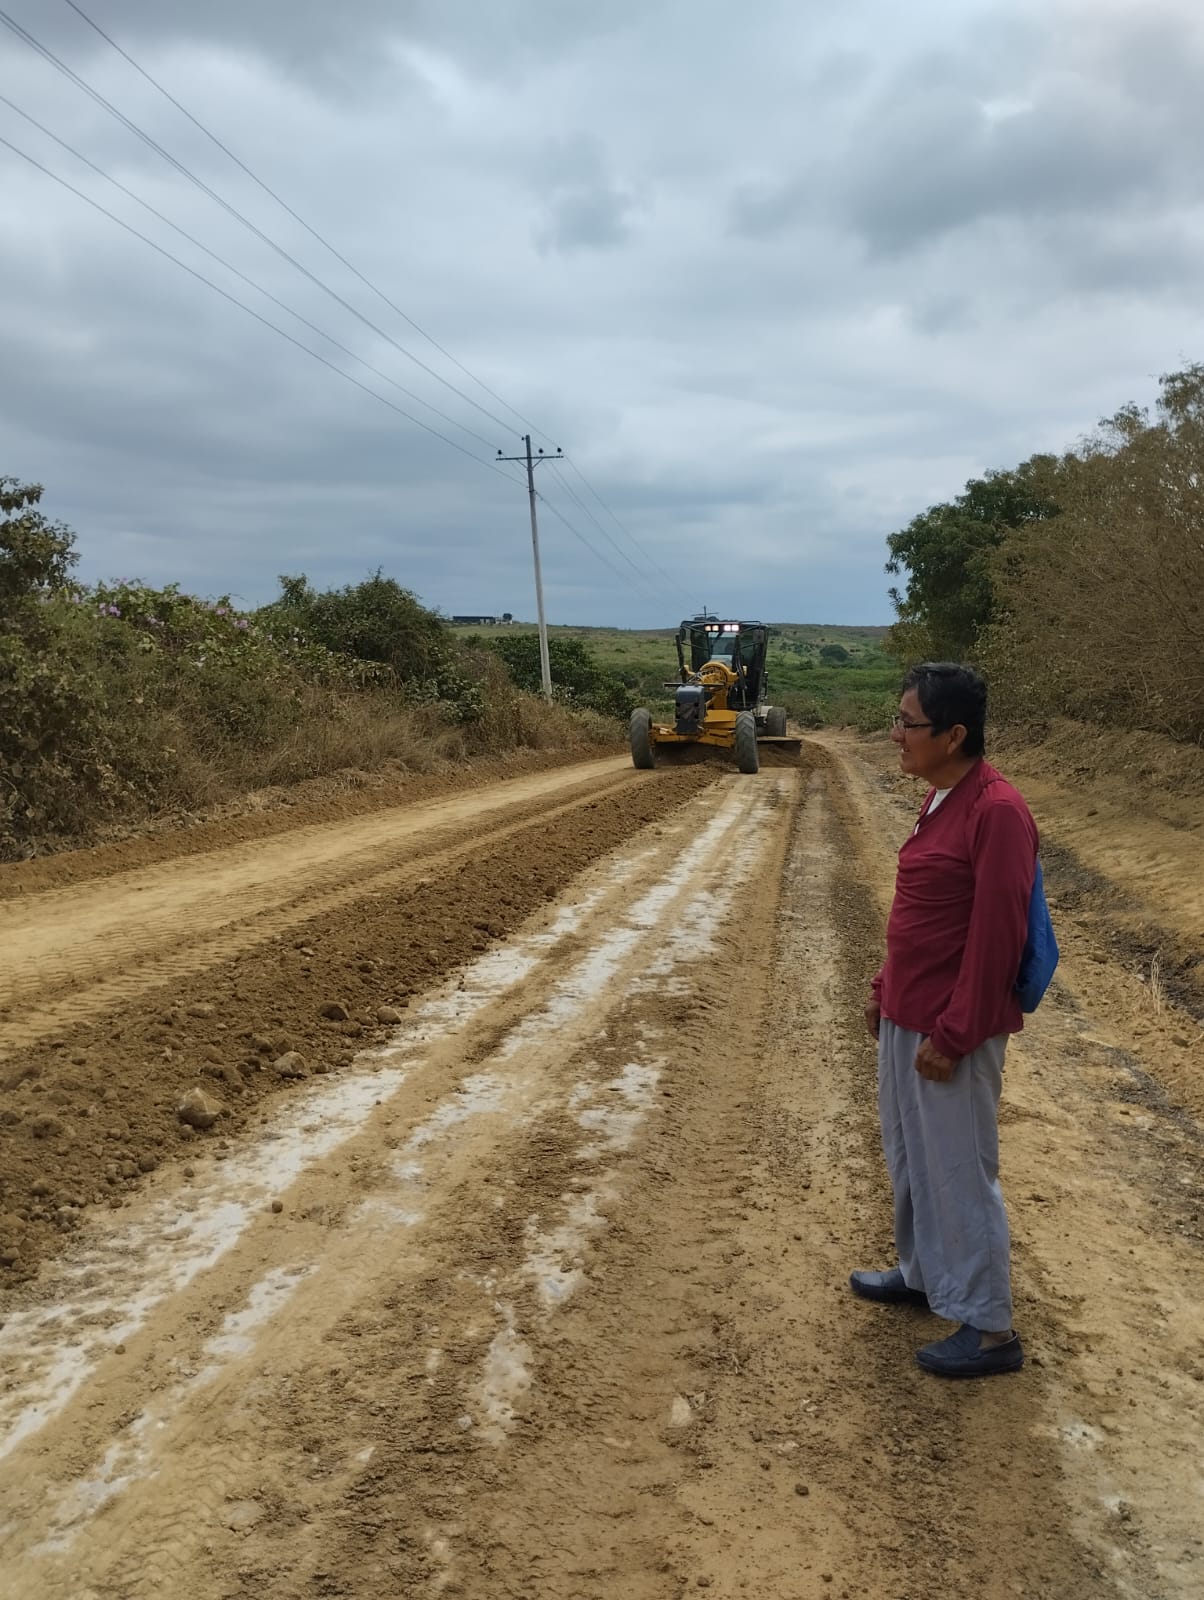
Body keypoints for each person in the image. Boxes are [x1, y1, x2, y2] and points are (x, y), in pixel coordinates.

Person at [854, 662, 1037, 1378]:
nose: (894, 734)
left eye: (907, 723)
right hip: (909, 1016)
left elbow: (996, 942)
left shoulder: (997, 812)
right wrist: (884, 987)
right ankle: (926, 1275)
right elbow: (922, 914)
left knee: (959, 1170)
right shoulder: (940, 797)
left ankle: (990, 1329)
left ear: (953, 734)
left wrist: (954, 1035)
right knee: (911, 1159)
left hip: (949, 1030)